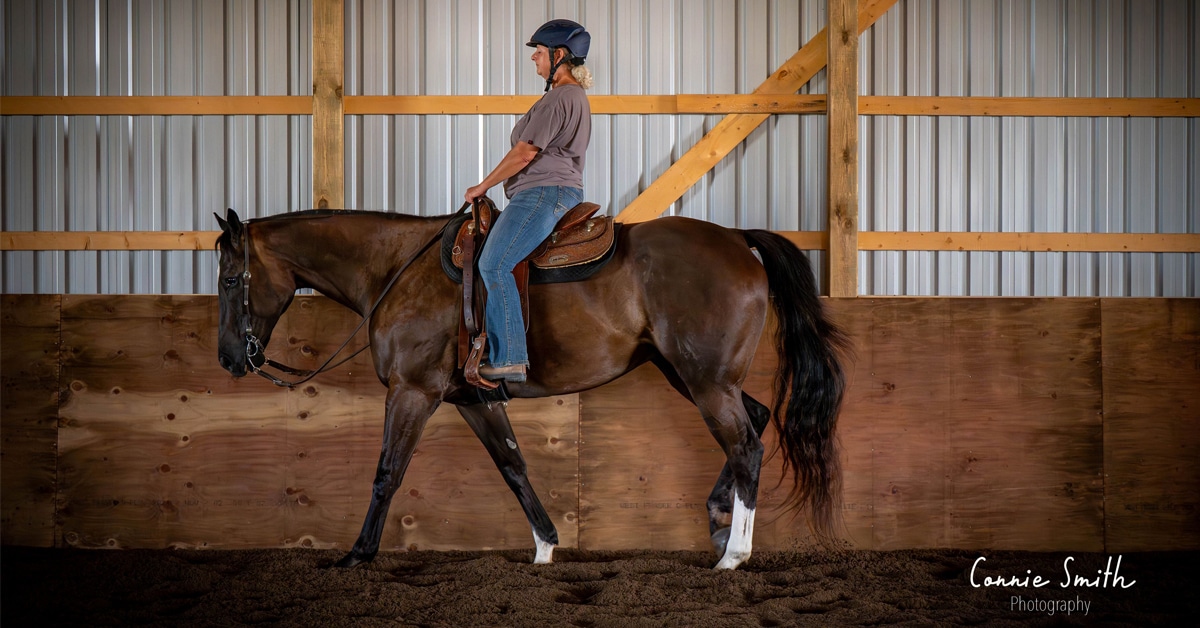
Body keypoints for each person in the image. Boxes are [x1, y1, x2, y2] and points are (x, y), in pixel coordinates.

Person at [464, 19, 594, 383]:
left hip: (542, 193)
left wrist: (482, 186)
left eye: (539, 52)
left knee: (493, 265)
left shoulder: (559, 98)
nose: (534, 59)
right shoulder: (570, 98)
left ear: (559, 55)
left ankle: (509, 358)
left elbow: (524, 154)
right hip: (552, 191)